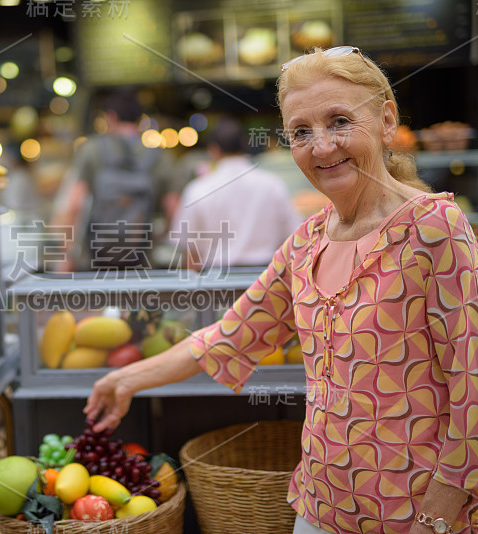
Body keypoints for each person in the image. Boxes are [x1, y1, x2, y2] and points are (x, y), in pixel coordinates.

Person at [85, 47, 477, 534]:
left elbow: (472, 392)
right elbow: (230, 336)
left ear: (385, 119)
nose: (322, 147)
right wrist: (127, 379)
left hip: (412, 517)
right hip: (317, 510)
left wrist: (434, 520)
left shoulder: (435, 228)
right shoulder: (307, 241)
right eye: (301, 132)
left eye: (339, 121)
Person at [55, 90, 174, 271]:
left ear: (111, 117)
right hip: (143, 260)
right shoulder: (157, 156)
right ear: (140, 119)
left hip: (97, 259)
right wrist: (159, 238)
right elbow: (173, 208)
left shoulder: (92, 150)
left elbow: (74, 205)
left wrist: (67, 254)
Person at [170, 116, 301, 270]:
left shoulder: (198, 189)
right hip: (266, 277)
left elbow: (190, 250)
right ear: (245, 144)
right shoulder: (272, 184)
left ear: (214, 149)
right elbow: (292, 238)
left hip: (215, 280)